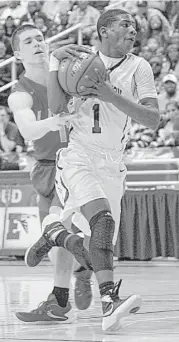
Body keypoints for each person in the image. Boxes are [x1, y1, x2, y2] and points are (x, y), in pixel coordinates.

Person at [25, 8, 159, 333]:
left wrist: (111, 96)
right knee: (103, 221)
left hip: (115, 162)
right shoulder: (77, 60)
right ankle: (110, 303)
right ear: (103, 31)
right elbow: (57, 110)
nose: (133, 30)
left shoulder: (139, 67)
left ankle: (57, 235)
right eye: (125, 25)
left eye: (134, 26)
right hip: (78, 154)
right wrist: (56, 62)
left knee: (100, 247)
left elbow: (152, 119)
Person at [8, 24, 93, 323]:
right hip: (47, 166)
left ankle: (60, 298)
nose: (37, 43)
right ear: (18, 54)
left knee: (59, 230)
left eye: (40, 38)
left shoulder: (69, 74)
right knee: (55, 238)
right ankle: (79, 273)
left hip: (80, 160)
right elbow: (29, 129)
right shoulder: (20, 93)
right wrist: (57, 120)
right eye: (28, 41)